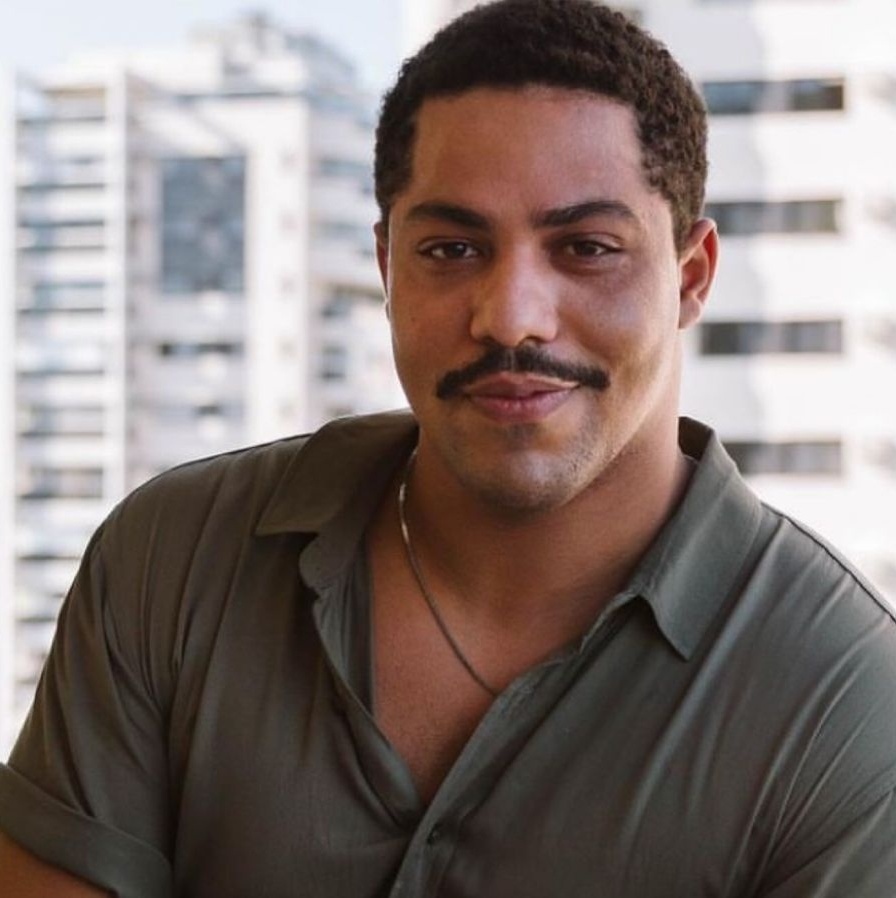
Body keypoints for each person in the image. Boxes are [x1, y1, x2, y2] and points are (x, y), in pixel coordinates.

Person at [2, 0, 895, 894]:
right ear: (388, 268)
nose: (511, 317)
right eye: (454, 249)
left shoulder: (843, 698)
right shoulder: (175, 558)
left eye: (587, 247)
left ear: (691, 277)